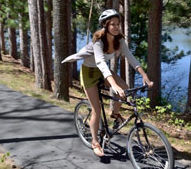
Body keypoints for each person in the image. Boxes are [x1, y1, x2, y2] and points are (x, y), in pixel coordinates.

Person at [62, 9, 153, 157]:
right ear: (105, 25)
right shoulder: (99, 41)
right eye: (113, 24)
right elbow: (101, 63)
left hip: (104, 73)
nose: (116, 27)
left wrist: (144, 76)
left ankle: (114, 113)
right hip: (90, 72)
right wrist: (114, 86)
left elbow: (130, 58)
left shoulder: (119, 40)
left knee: (125, 88)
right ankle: (95, 142)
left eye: (118, 24)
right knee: (96, 110)